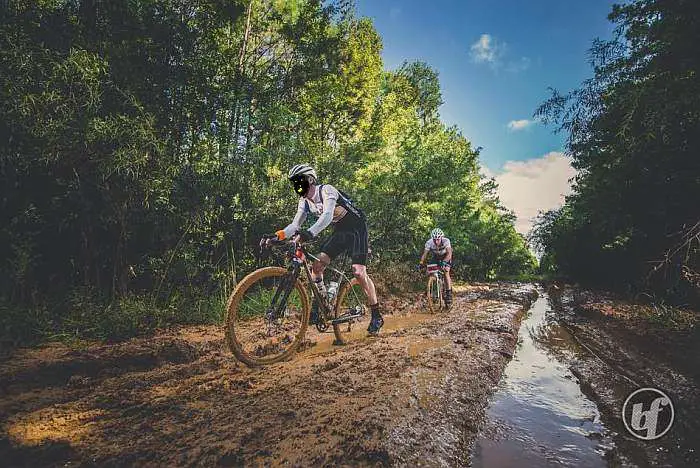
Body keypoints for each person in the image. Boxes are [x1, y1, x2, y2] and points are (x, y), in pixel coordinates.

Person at [263, 164, 384, 335]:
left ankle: (376, 314)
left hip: (357, 228)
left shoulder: (327, 190)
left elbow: (327, 216)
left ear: (310, 179)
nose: (296, 185)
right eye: (294, 182)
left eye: (299, 181)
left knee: (358, 272)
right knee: (317, 267)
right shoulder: (304, 202)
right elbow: (294, 225)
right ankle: (321, 304)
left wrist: (308, 234)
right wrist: (276, 236)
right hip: (341, 230)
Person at [418, 228, 453, 307]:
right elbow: (425, 254)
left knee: (446, 272)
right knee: (430, 271)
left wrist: (444, 262)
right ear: (432, 239)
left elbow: (449, 253)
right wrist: (421, 263)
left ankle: (449, 293)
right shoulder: (429, 243)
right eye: (435, 239)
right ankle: (432, 287)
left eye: (438, 239)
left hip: (446, 256)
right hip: (436, 257)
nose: (436, 241)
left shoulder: (446, 241)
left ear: (441, 238)